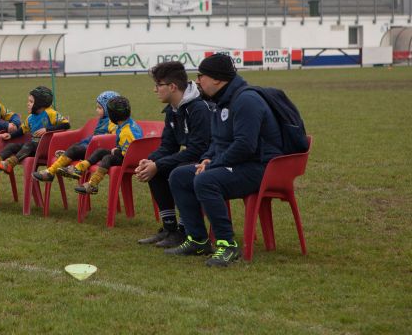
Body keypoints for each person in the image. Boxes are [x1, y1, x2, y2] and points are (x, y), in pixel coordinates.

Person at [166, 53, 283, 267]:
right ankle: (198, 240)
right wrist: (207, 159)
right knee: (180, 176)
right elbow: (217, 141)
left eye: (201, 76)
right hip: (240, 163)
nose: (197, 81)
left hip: (263, 168)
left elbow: (246, 146)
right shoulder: (221, 101)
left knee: (205, 180)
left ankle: (227, 245)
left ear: (217, 79)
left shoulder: (246, 100)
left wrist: (214, 164)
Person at [135, 62, 211, 248]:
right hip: (194, 158)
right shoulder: (172, 109)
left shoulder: (199, 109)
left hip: (209, 161)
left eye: (158, 85)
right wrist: (150, 161)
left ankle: (186, 230)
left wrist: (158, 164)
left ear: (172, 87)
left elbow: (197, 150)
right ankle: (170, 229)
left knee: (176, 170)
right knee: (157, 168)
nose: (155, 90)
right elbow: (168, 146)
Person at [32, 90, 119, 182]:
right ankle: (64, 159)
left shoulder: (112, 122)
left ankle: (51, 171)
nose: (96, 110)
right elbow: (95, 137)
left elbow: (113, 137)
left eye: (100, 108)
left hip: (98, 151)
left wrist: (104, 138)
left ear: (109, 110)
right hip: (93, 146)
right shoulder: (103, 120)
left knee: (75, 149)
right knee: (76, 146)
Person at [0, 86, 70, 174]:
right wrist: (10, 135)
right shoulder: (30, 117)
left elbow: (66, 124)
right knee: (12, 146)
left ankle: (10, 164)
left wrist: (47, 129)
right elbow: (22, 129)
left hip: (47, 149)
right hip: (33, 148)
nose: (28, 104)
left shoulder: (51, 113)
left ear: (40, 104)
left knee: (29, 145)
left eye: (31, 101)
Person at [74, 96, 143, 195]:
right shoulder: (128, 123)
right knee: (100, 151)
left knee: (107, 158)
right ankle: (80, 167)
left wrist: (116, 151)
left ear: (113, 115)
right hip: (128, 153)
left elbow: (129, 153)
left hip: (130, 159)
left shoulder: (126, 132)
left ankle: (92, 184)